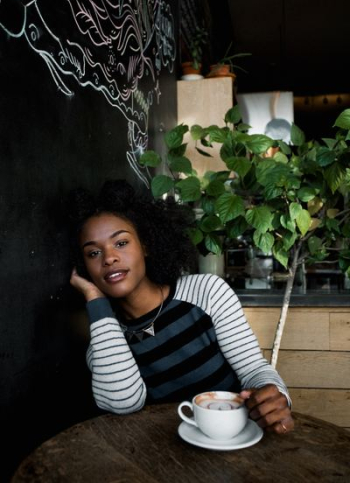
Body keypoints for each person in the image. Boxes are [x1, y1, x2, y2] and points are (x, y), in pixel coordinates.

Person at [68, 179, 294, 434]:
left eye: (121, 243)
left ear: (146, 245)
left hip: (235, 440)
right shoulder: (105, 341)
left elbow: (253, 368)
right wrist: (95, 300)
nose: (109, 258)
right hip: (164, 461)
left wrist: (275, 396)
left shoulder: (206, 293)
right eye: (93, 253)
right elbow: (124, 403)